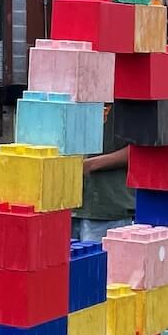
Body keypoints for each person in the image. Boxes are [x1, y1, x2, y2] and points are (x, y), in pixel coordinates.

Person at [73, 103, 134, 241]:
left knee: (104, 261)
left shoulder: (131, 97)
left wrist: (90, 165)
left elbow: (146, 148)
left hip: (109, 205)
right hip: (62, 206)